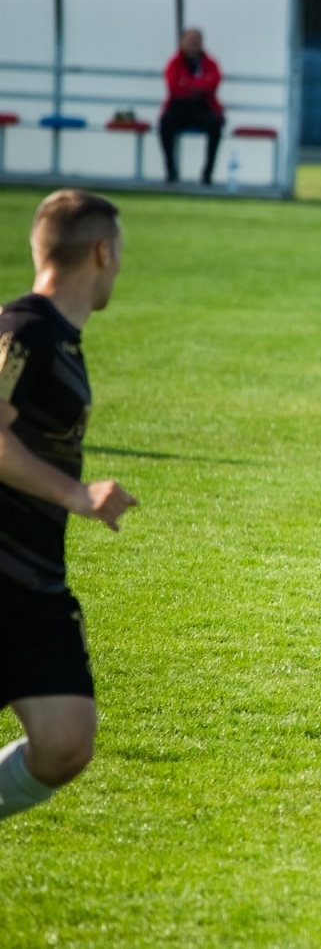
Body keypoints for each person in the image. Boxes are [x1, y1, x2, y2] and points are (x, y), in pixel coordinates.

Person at [0, 190, 138, 821]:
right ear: (102, 252)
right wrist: (75, 494)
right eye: (120, 253)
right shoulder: (22, 331)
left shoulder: (62, 340)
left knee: (66, 741)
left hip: (35, 578)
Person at [159, 28, 225, 185]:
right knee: (165, 123)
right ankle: (171, 171)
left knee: (215, 125)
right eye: (190, 41)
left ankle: (207, 174)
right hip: (179, 105)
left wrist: (188, 84)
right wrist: (199, 86)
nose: (194, 44)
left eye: (197, 41)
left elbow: (213, 84)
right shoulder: (174, 63)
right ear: (182, 43)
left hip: (203, 105)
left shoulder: (210, 63)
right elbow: (174, 87)